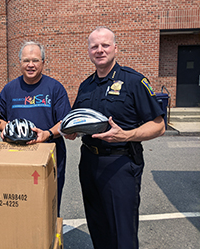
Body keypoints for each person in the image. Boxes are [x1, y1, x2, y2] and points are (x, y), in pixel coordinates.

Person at [65, 26, 165, 249]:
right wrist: (70, 131)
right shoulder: (86, 86)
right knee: (98, 225)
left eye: (105, 45)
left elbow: (159, 126)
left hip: (120, 163)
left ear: (115, 49)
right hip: (89, 163)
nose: (99, 50)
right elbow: (77, 120)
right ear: (89, 52)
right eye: (94, 46)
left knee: (122, 232)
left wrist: (127, 135)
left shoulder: (134, 82)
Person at [0, 41, 71, 215]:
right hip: (16, 159)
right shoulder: (9, 89)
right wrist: (7, 128)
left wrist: (48, 134)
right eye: (26, 60)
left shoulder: (55, 88)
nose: (30, 65)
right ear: (20, 63)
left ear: (43, 63)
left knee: (48, 207)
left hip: (49, 157)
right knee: (19, 207)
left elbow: (65, 122)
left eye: (35, 60)